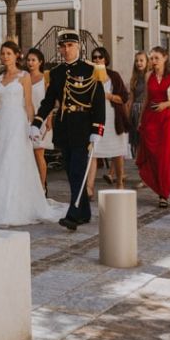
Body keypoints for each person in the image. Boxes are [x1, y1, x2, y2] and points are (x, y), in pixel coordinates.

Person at [0, 41, 67, 226]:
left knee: (14, 160)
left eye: (8, 53)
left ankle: (15, 208)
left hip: (18, 123)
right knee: (0, 160)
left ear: (17, 55)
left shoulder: (24, 76)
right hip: (2, 123)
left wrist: (33, 126)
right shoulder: (0, 78)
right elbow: (2, 103)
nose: (4, 56)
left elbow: (28, 104)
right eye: (2, 53)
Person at [31, 30, 107, 231]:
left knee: (77, 171)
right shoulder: (55, 73)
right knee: (71, 171)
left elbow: (98, 102)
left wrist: (97, 129)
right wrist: (36, 122)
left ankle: (73, 215)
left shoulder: (91, 70)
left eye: (70, 46)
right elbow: (48, 101)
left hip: (83, 127)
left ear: (79, 47)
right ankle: (84, 213)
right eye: (63, 46)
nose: (66, 50)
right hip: (65, 127)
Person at [136, 46, 170, 208]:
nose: (153, 61)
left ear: (165, 57)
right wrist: (140, 119)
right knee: (152, 155)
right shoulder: (148, 75)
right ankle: (157, 186)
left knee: (166, 156)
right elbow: (146, 99)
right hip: (150, 118)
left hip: (166, 119)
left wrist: (167, 104)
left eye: (156, 58)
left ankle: (163, 194)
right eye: (151, 58)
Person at [86, 47, 130, 192]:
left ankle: (119, 182)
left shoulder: (114, 76)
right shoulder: (89, 76)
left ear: (106, 59)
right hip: (95, 119)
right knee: (93, 152)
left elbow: (124, 97)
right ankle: (89, 187)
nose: (97, 59)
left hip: (113, 118)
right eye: (94, 57)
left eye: (100, 57)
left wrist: (109, 96)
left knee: (117, 153)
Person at [25, 48, 53, 192]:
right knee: (27, 153)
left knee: (38, 152)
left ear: (40, 62)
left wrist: (49, 118)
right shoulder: (24, 77)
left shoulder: (45, 78)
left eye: (33, 60)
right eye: (28, 60)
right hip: (26, 118)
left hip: (41, 118)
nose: (30, 63)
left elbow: (50, 100)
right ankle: (31, 185)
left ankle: (42, 185)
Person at [127, 51, 149, 158]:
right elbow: (131, 98)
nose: (138, 63)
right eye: (136, 61)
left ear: (147, 62)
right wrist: (128, 114)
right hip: (135, 110)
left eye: (141, 60)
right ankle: (139, 158)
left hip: (146, 109)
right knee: (137, 137)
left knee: (146, 136)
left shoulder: (150, 77)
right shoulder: (134, 79)